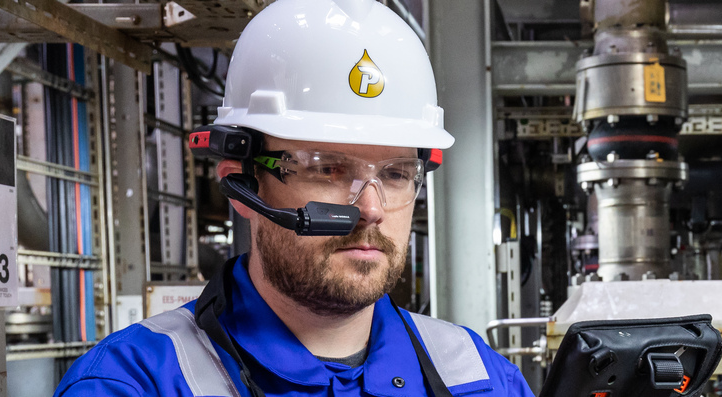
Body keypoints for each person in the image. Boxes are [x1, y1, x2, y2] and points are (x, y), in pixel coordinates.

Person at [54, 0, 532, 395]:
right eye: (327, 169)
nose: (371, 209)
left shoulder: (479, 375)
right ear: (242, 184)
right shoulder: (136, 381)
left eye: (397, 173)